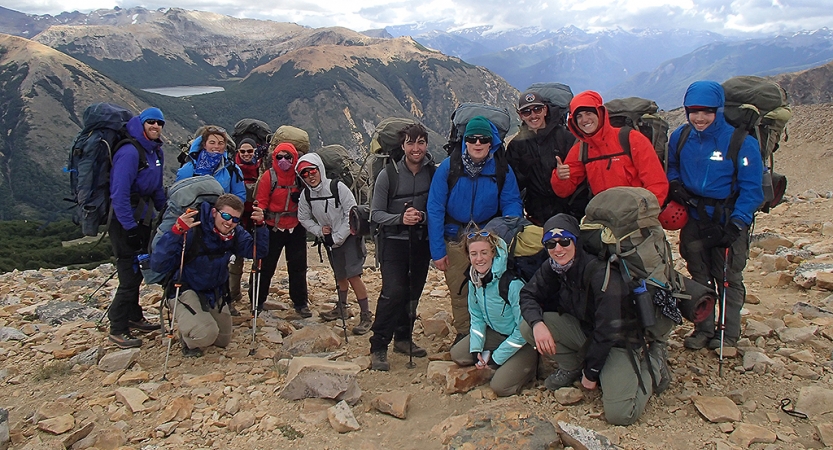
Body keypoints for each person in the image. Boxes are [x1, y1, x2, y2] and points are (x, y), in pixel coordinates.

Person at [519, 213, 674, 426]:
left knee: (620, 414)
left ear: (576, 241)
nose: (558, 249)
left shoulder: (601, 273)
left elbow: (609, 329)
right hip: (587, 330)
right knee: (527, 328)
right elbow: (528, 294)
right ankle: (572, 366)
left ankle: (655, 360)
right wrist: (537, 324)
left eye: (565, 241)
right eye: (550, 244)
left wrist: (591, 373)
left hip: (620, 341)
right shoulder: (554, 267)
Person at [667, 81, 764, 350]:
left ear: (718, 110)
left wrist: (736, 224)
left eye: (706, 111)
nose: (699, 118)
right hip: (695, 217)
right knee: (698, 272)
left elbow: (752, 189)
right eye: (693, 111)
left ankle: (729, 334)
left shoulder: (741, 142)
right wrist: (675, 185)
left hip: (728, 218)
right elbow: (672, 166)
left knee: (728, 278)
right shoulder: (681, 136)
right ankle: (703, 329)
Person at [427, 116, 523, 342]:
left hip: (488, 237)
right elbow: (435, 208)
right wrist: (438, 251)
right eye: (472, 138)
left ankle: (492, 333)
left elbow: (512, 203)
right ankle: (464, 334)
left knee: (492, 288)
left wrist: (505, 235)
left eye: (483, 139)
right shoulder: (449, 168)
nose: (478, 143)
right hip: (454, 236)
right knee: (459, 289)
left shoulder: (501, 169)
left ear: (492, 143)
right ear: (464, 141)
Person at [150, 194, 268, 357]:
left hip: (212, 291)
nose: (229, 222)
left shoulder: (235, 233)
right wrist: (176, 232)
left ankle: (199, 321)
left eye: (235, 219)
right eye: (225, 216)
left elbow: (258, 252)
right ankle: (187, 340)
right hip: (185, 289)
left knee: (222, 339)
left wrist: (260, 226)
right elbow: (158, 263)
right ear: (214, 212)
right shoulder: (193, 229)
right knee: (205, 334)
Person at [368, 124, 435, 371]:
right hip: (393, 243)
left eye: (420, 143)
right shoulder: (388, 175)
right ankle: (378, 346)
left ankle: (404, 339)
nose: (415, 149)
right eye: (410, 143)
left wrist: (423, 217)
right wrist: (400, 219)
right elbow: (375, 214)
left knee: (412, 293)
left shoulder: (433, 173)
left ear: (426, 144)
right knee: (393, 291)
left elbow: (439, 207)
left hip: (420, 242)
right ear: (402, 146)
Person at [450, 230, 537, 396]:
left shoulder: (512, 284)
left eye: (484, 253)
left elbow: (522, 330)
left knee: (499, 387)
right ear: (468, 257)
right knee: (458, 355)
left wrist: (497, 358)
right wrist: (477, 348)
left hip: (522, 341)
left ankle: (528, 367)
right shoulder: (475, 280)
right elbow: (477, 317)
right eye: (474, 254)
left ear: (493, 253)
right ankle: (499, 358)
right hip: (496, 333)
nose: (479, 259)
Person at [107, 107, 167, 349]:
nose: (156, 126)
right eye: (151, 122)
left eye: (160, 123)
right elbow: (118, 193)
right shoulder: (130, 152)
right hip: (125, 222)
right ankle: (117, 327)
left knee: (138, 270)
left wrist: (166, 213)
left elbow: (157, 188)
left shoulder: (155, 151)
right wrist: (129, 227)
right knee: (129, 274)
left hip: (142, 219)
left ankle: (134, 316)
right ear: (141, 123)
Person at [296, 152, 373, 335]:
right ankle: (342, 308)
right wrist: (319, 231)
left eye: (312, 171)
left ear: (319, 169)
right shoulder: (306, 194)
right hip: (331, 239)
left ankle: (366, 315)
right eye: (304, 174)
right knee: (339, 274)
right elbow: (303, 217)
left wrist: (337, 236)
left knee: (353, 275)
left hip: (350, 236)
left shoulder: (337, 187)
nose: (310, 176)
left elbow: (351, 212)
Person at [551, 90, 668, 205]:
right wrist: (560, 177)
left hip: (636, 212)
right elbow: (564, 191)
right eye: (579, 116)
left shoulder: (631, 139)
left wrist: (646, 212)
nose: (584, 120)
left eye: (589, 113)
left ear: (600, 113)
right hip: (604, 215)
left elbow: (657, 183)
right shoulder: (581, 149)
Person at [506, 90, 586, 224]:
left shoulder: (566, 137)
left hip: (570, 213)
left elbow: (581, 173)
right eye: (527, 112)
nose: (533, 115)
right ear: (521, 116)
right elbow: (513, 186)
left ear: (545, 110)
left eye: (537, 109)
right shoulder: (516, 146)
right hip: (537, 216)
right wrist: (524, 170)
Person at [254, 142, 310, 318]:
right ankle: (256, 300)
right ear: (274, 158)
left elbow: (310, 197)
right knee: (265, 265)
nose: (283, 160)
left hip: (296, 226)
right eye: (279, 157)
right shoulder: (268, 177)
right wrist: (259, 216)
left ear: (295, 158)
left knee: (298, 267)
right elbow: (261, 200)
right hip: (273, 226)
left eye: (288, 157)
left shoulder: (300, 177)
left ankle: (300, 302)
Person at [227, 138, 260, 316]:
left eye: (250, 151)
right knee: (235, 258)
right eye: (243, 151)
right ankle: (233, 294)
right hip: (237, 219)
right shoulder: (232, 169)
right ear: (238, 152)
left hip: (253, 218)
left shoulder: (261, 170)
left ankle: (253, 294)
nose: (246, 154)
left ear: (255, 151)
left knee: (257, 257)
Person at [176, 125, 246, 203]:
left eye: (221, 143)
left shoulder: (232, 169)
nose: (216, 146)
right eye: (212, 143)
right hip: (192, 213)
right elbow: (178, 196)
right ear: (204, 145)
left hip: (221, 214)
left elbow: (239, 196)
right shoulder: (188, 169)